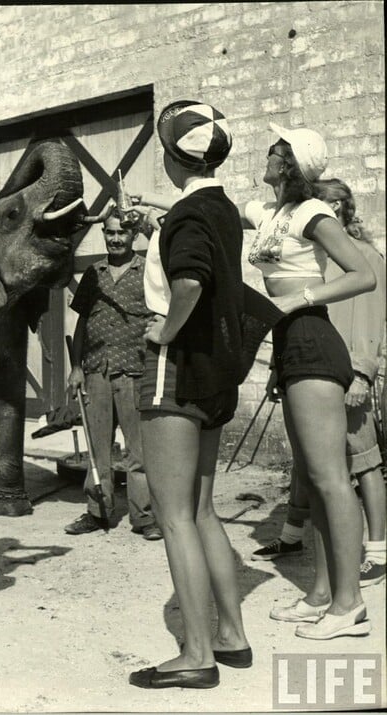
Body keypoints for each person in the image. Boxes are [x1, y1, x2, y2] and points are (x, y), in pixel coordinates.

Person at [128, 99, 256, 691]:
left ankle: (197, 654)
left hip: (174, 370)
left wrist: (164, 330)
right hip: (216, 374)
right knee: (202, 510)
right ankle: (230, 635)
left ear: (172, 157)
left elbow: (189, 281)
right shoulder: (222, 208)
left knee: (174, 514)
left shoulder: (185, 215)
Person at [241, 124, 376, 639]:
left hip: (312, 338)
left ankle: (350, 605)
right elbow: (219, 207)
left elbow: (362, 274)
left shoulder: (314, 213)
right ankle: (321, 593)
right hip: (289, 344)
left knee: (331, 478)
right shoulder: (272, 212)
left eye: (275, 150)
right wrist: (153, 203)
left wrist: (298, 299)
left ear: (291, 164)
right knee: (313, 479)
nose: (267, 154)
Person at [251, 178, 386, 588]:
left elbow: (370, 316)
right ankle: (294, 535)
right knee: (314, 464)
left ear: (339, 209)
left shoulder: (362, 255)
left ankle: (377, 551)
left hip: (347, 371)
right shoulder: (316, 258)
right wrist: (278, 370)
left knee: (363, 462)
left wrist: (362, 371)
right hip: (315, 370)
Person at [65, 206, 162, 541]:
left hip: (135, 371)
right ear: (103, 234)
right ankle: (98, 511)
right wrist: (75, 367)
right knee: (97, 450)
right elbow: (81, 323)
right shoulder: (94, 273)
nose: (116, 238)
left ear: (133, 235)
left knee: (139, 452)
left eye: (122, 232)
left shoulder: (147, 271)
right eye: (110, 232)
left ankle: (144, 517)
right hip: (97, 371)